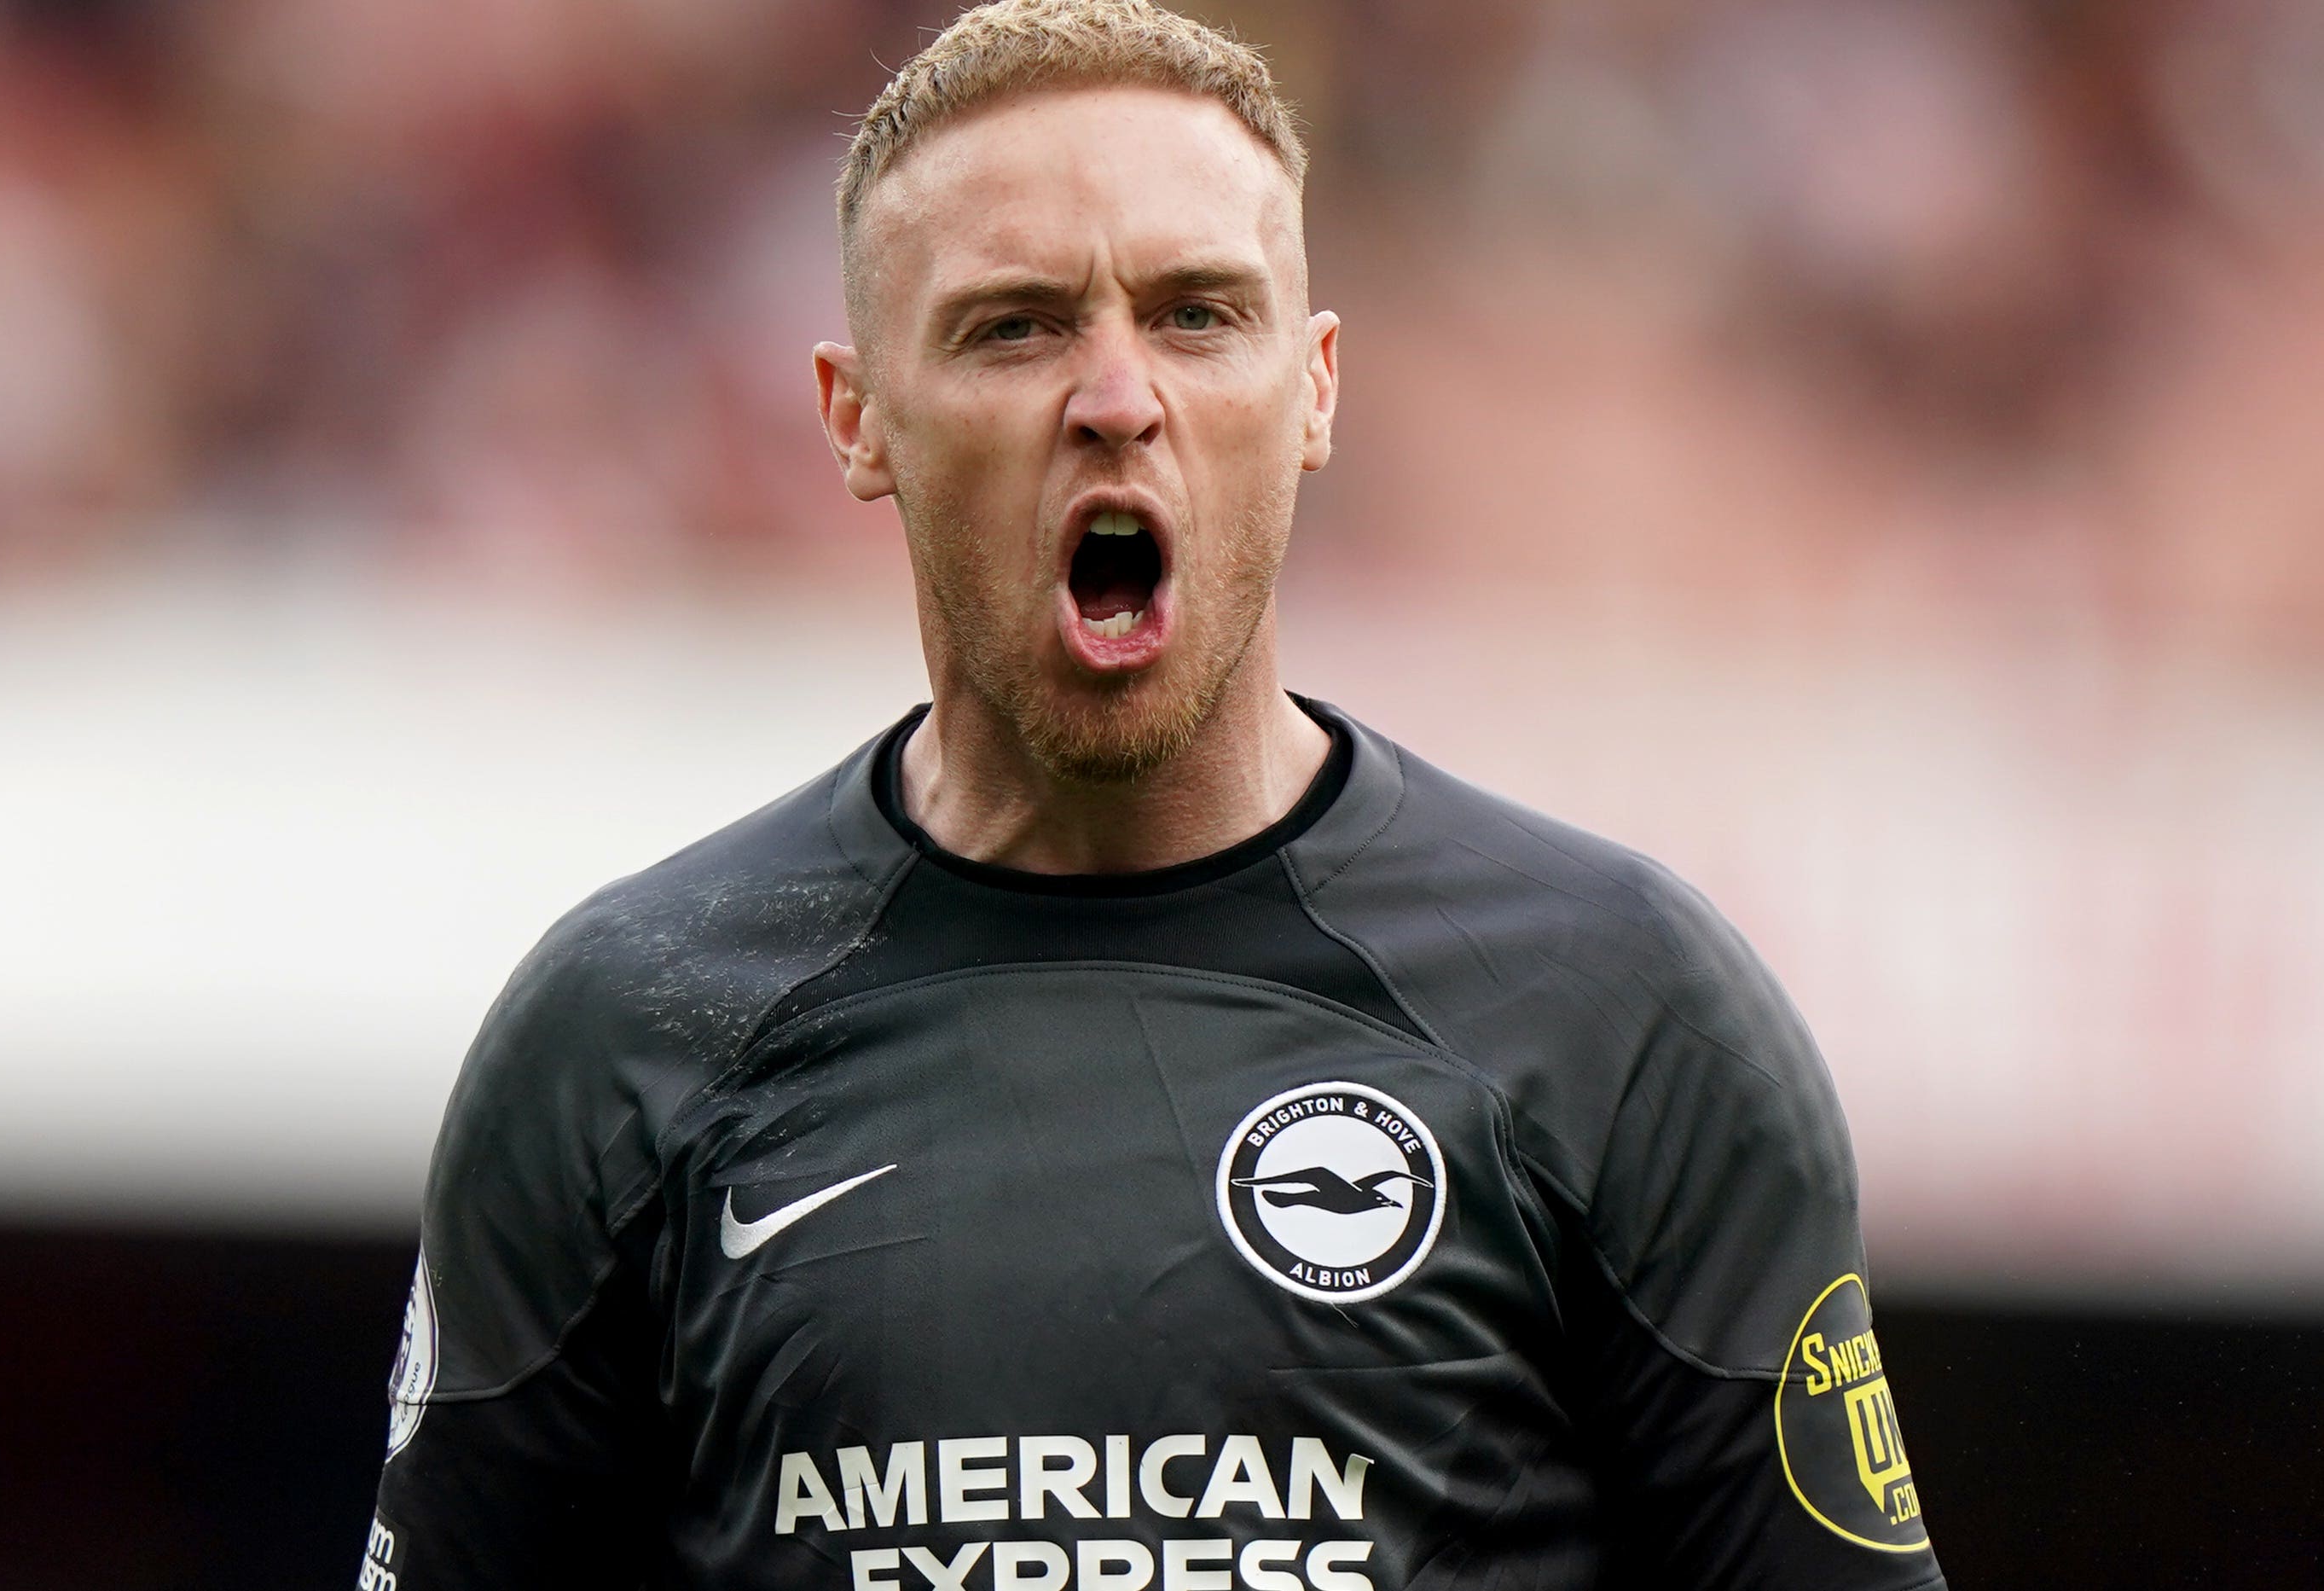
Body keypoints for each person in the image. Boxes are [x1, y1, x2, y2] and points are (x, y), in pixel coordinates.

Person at [360, 3, 1944, 1587]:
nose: (1116, 395)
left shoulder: (1624, 1013)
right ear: (858, 417)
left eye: (1195, 316)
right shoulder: (622, 1033)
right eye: (1016, 326)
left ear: (1313, 389)